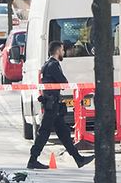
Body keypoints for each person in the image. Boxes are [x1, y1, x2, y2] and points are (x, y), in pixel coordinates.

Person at [28, 40, 93, 170]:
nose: (63, 52)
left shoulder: (48, 64)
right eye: (62, 50)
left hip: (53, 104)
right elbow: (63, 82)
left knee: (64, 133)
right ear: (58, 51)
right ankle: (33, 159)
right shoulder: (53, 65)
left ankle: (78, 159)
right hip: (51, 105)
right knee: (44, 133)